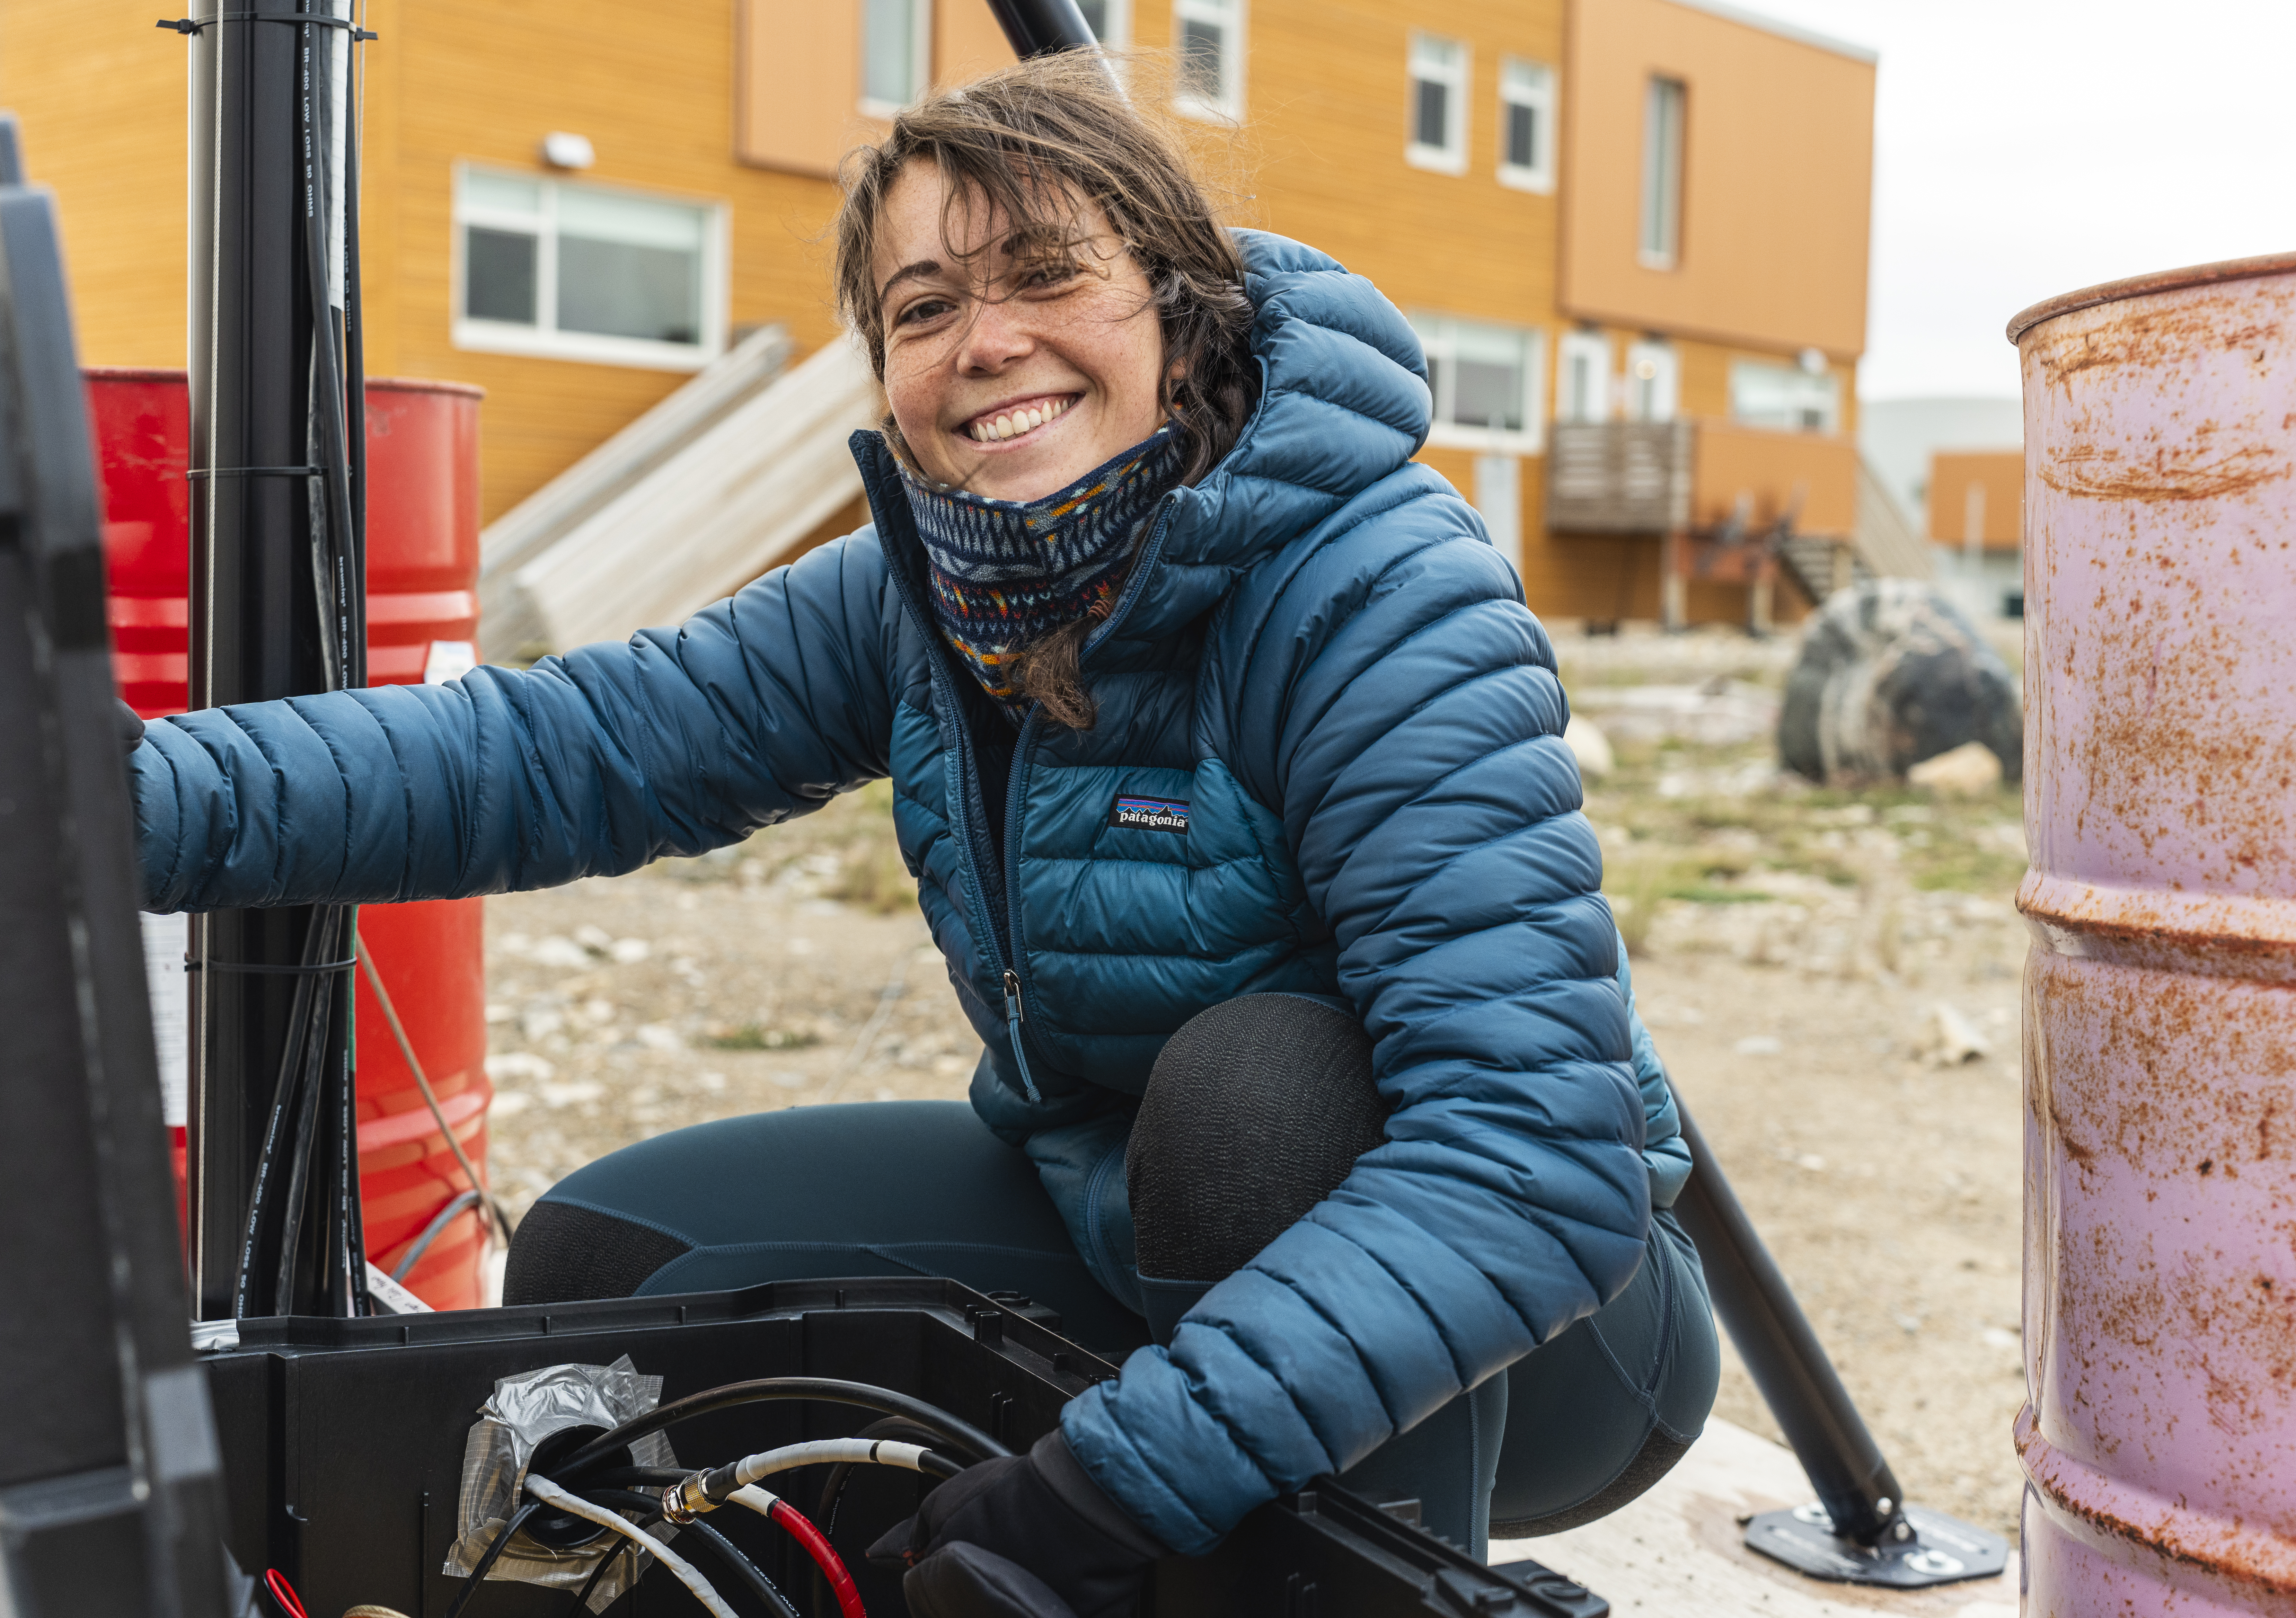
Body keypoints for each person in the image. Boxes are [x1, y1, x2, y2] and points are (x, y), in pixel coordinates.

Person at [129, 54, 1716, 1618]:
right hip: (1120, 1212)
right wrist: (106, 803)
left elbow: (1537, 1158)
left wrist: (1112, 1482)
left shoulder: (1376, 590)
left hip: (1537, 1328)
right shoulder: (937, 593)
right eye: (924, 306)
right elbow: (558, 747)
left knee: (1260, 1099)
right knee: (612, 1268)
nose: (986, 340)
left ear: (1182, 308)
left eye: (1047, 273)